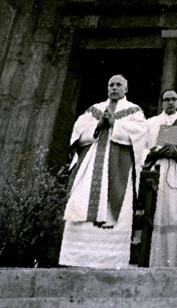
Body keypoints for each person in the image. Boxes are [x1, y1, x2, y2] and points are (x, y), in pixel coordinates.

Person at [59, 74, 148, 268]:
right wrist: (98, 125)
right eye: (111, 85)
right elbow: (78, 131)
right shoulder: (95, 109)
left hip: (118, 166)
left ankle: (110, 260)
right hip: (90, 163)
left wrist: (115, 123)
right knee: (80, 200)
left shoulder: (134, 110)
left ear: (126, 89)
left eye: (119, 85)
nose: (114, 88)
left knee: (115, 204)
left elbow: (141, 133)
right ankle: (76, 258)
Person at [144, 88, 177, 266]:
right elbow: (141, 148)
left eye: (174, 99)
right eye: (167, 100)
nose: (170, 102)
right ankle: (151, 261)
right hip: (156, 170)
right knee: (154, 213)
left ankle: (172, 262)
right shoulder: (150, 123)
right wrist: (151, 153)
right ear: (162, 102)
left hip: (174, 171)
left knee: (173, 214)